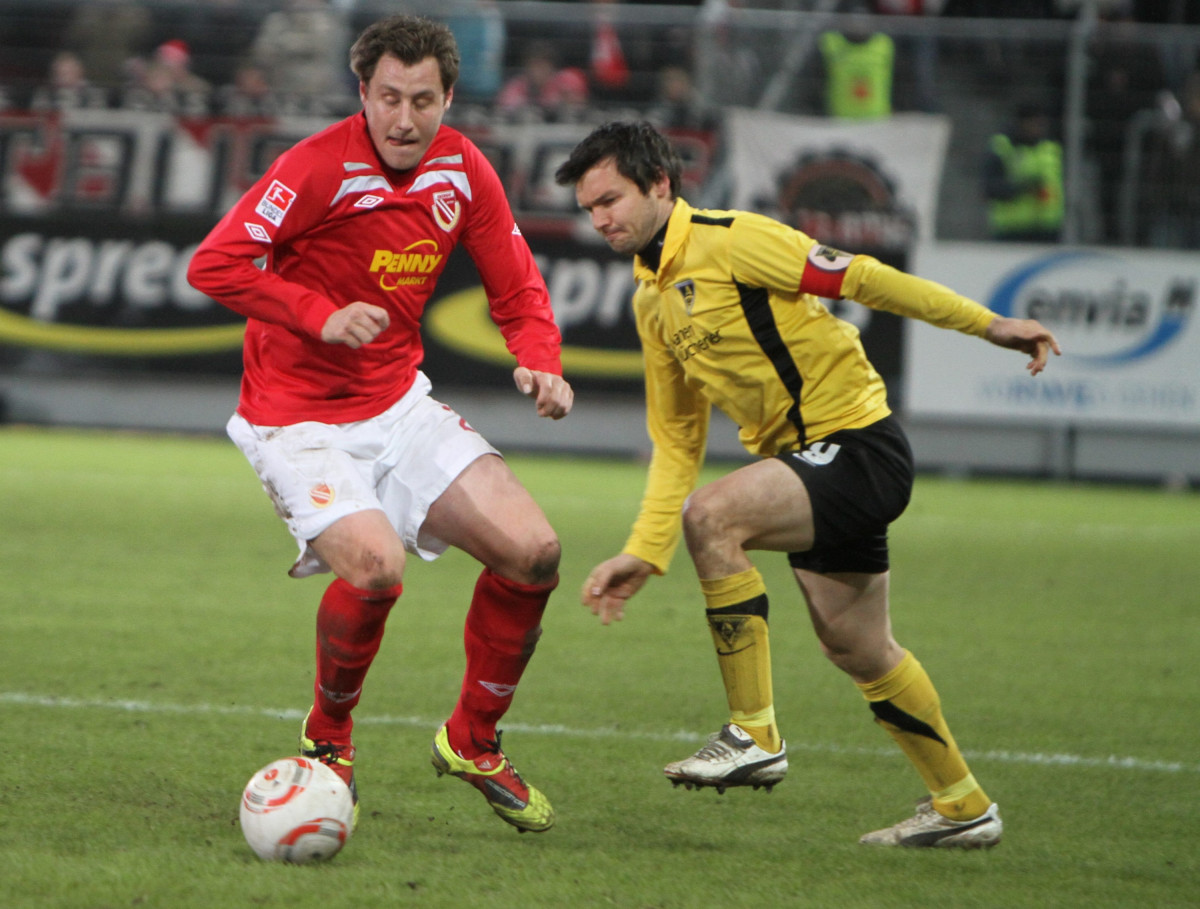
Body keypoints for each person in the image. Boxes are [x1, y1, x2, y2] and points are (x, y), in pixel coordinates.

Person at [554, 121, 1060, 848]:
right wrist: (645, 549)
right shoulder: (651, 300)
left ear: (659, 184)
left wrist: (988, 325)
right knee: (859, 647)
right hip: (809, 467)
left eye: (610, 200)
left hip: (858, 446)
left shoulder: (734, 239)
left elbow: (864, 278)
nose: (600, 219)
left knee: (714, 517)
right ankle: (962, 805)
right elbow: (677, 441)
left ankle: (753, 733)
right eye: (589, 208)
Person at [187, 15, 574, 835]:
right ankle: (328, 737)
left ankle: (472, 739)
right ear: (362, 91)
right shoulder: (315, 166)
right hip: (295, 419)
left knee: (534, 552)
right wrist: (317, 314)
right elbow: (215, 262)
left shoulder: (464, 170)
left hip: (397, 404)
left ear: (449, 98)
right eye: (389, 97)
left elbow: (515, 283)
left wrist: (541, 359)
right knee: (374, 568)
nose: (404, 119)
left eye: (422, 101)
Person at [983, 101, 1064, 243]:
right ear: (1021, 123)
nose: (1039, 128)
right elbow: (990, 187)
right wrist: (1023, 188)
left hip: (1047, 229)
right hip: (1011, 230)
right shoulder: (1002, 147)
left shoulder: (1051, 148)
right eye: (1035, 123)